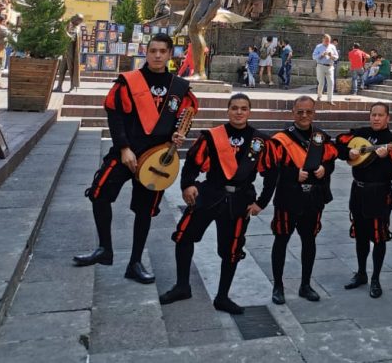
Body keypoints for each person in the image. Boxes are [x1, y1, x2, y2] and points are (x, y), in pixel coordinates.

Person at [73, 34, 199, 284]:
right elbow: (115, 115)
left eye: (162, 51)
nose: (157, 55)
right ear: (146, 52)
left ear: (170, 53)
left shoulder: (180, 87)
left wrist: (178, 134)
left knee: (144, 211)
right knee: (98, 194)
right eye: (153, 50)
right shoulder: (129, 81)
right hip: (126, 152)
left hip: (156, 158)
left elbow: (183, 117)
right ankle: (105, 249)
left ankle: (135, 262)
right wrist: (123, 148)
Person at [159, 93, 277, 314]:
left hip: (239, 201)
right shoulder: (212, 137)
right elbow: (192, 162)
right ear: (228, 111)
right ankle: (182, 286)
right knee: (184, 237)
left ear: (249, 112)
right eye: (234, 108)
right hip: (209, 195)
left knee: (231, 250)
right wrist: (188, 185)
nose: (239, 112)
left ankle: (222, 297)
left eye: (243, 108)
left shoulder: (260, 141)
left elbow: (272, 174)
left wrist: (261, 203)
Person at [335, 103, 392, 298]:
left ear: (388, 118)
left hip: (379, 193)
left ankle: (376, 278)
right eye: (373, 115)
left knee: (379, 237)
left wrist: (386, 158)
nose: (376, 118)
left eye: (380, 115)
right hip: (358, 192)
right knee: (360, 235)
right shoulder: (360, 133)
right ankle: (361, 273)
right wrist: (348, 152)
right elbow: (338, 144)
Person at [268, 95, 338, 305]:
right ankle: (278, 286)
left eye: (309, 111)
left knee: (309, 241)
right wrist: (292, 175)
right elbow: (271, 169)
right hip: (288, 198)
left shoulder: (321, 137)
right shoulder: (280, 139)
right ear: (293, 113)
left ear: (314, 113)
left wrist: (325, 169)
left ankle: (305, 284)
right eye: (300, 112)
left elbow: (331, 160)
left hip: (312, 199)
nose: (304, 115)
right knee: (281, 240)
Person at [312, 33, 338, 104]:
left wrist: (331, 56)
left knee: (331, 82)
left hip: (330, 66)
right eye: (326, 40)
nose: (328, 42)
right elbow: (314, 56)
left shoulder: (332, 47)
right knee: (321, 82)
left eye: (329, 40)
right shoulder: (318, 46)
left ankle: (330, 99)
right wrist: (321, 55)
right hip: (321, 66)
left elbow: (336, 57)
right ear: (323, 39)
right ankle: (319, 96)